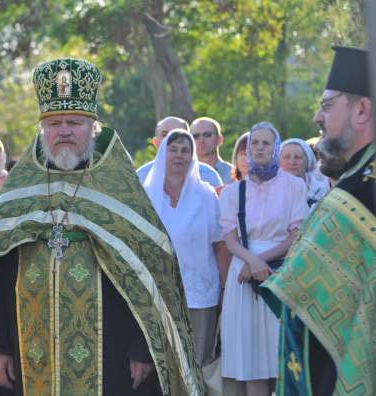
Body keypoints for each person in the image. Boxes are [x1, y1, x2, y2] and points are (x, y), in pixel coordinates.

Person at [0, 58, 202, 396]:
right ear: (42, 129)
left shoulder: (118, 188)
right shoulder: (18, 190)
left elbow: (146, 276)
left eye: (74, 121)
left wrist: (141, 348)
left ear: (93, 126)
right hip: (28, 352)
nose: (65, 131)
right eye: (54, 123)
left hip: (111, 353)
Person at [261, 46, 375, 396]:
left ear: (361, 109)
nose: (317, 117)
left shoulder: (357, 196)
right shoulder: (356, 180)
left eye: (327, 105)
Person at [219, 122, 308, 396]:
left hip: (279, 274)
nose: (258, 147)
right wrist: (250, 261)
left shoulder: (294, 186)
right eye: (254, 143)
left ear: (275, 148)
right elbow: (229, 239)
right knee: (251, 362)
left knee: (279, 358)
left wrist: (259, 262)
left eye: (265, 143)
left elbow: (295, 236)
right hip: (243, 278)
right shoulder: (234, 191)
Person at [143, 129, 227, 367]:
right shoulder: (146, 195)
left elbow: (220, 245)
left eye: (185, 150)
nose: (179, 155)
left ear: (193, 157)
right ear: (162, 153)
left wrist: (224, 288)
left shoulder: (206, 195)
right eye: (173, 149)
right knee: (163, 363)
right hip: (158, 292)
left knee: (197, 362)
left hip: (201, 292)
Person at [136, 117, 224, 188]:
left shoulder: (208, 175)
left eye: (177, 134)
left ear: (190, 140)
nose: (172, 140)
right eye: (165, 135)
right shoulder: (141, 176)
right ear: (155, 142)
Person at [279, 138, 330, 207]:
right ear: (279, 162)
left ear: (308, 161)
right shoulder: (271, 191)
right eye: (286, 157)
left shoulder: (324, 190)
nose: (292, 162)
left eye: (297, 157)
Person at [191, 117, 235, 184]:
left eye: (207, 135)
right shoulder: (184, 173)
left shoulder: (234, 174)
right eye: (195, 136)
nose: (201, 140)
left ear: (220, 139)